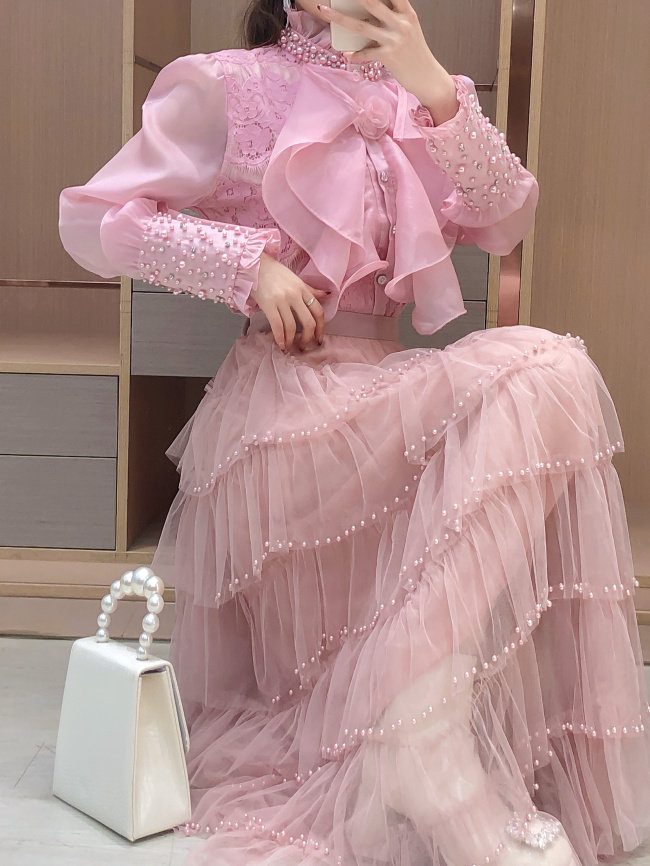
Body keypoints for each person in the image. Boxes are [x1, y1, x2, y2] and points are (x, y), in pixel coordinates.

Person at [58, 1, 650, 864]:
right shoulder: (225, 85)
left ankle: (417, 713)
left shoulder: (422, 95)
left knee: (554, 373)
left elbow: (506, 218)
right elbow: (94, 218)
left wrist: (432, 85)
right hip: (285, 410)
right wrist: (250, 269)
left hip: (379, 399)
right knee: (544, 370)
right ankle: (415, 725)